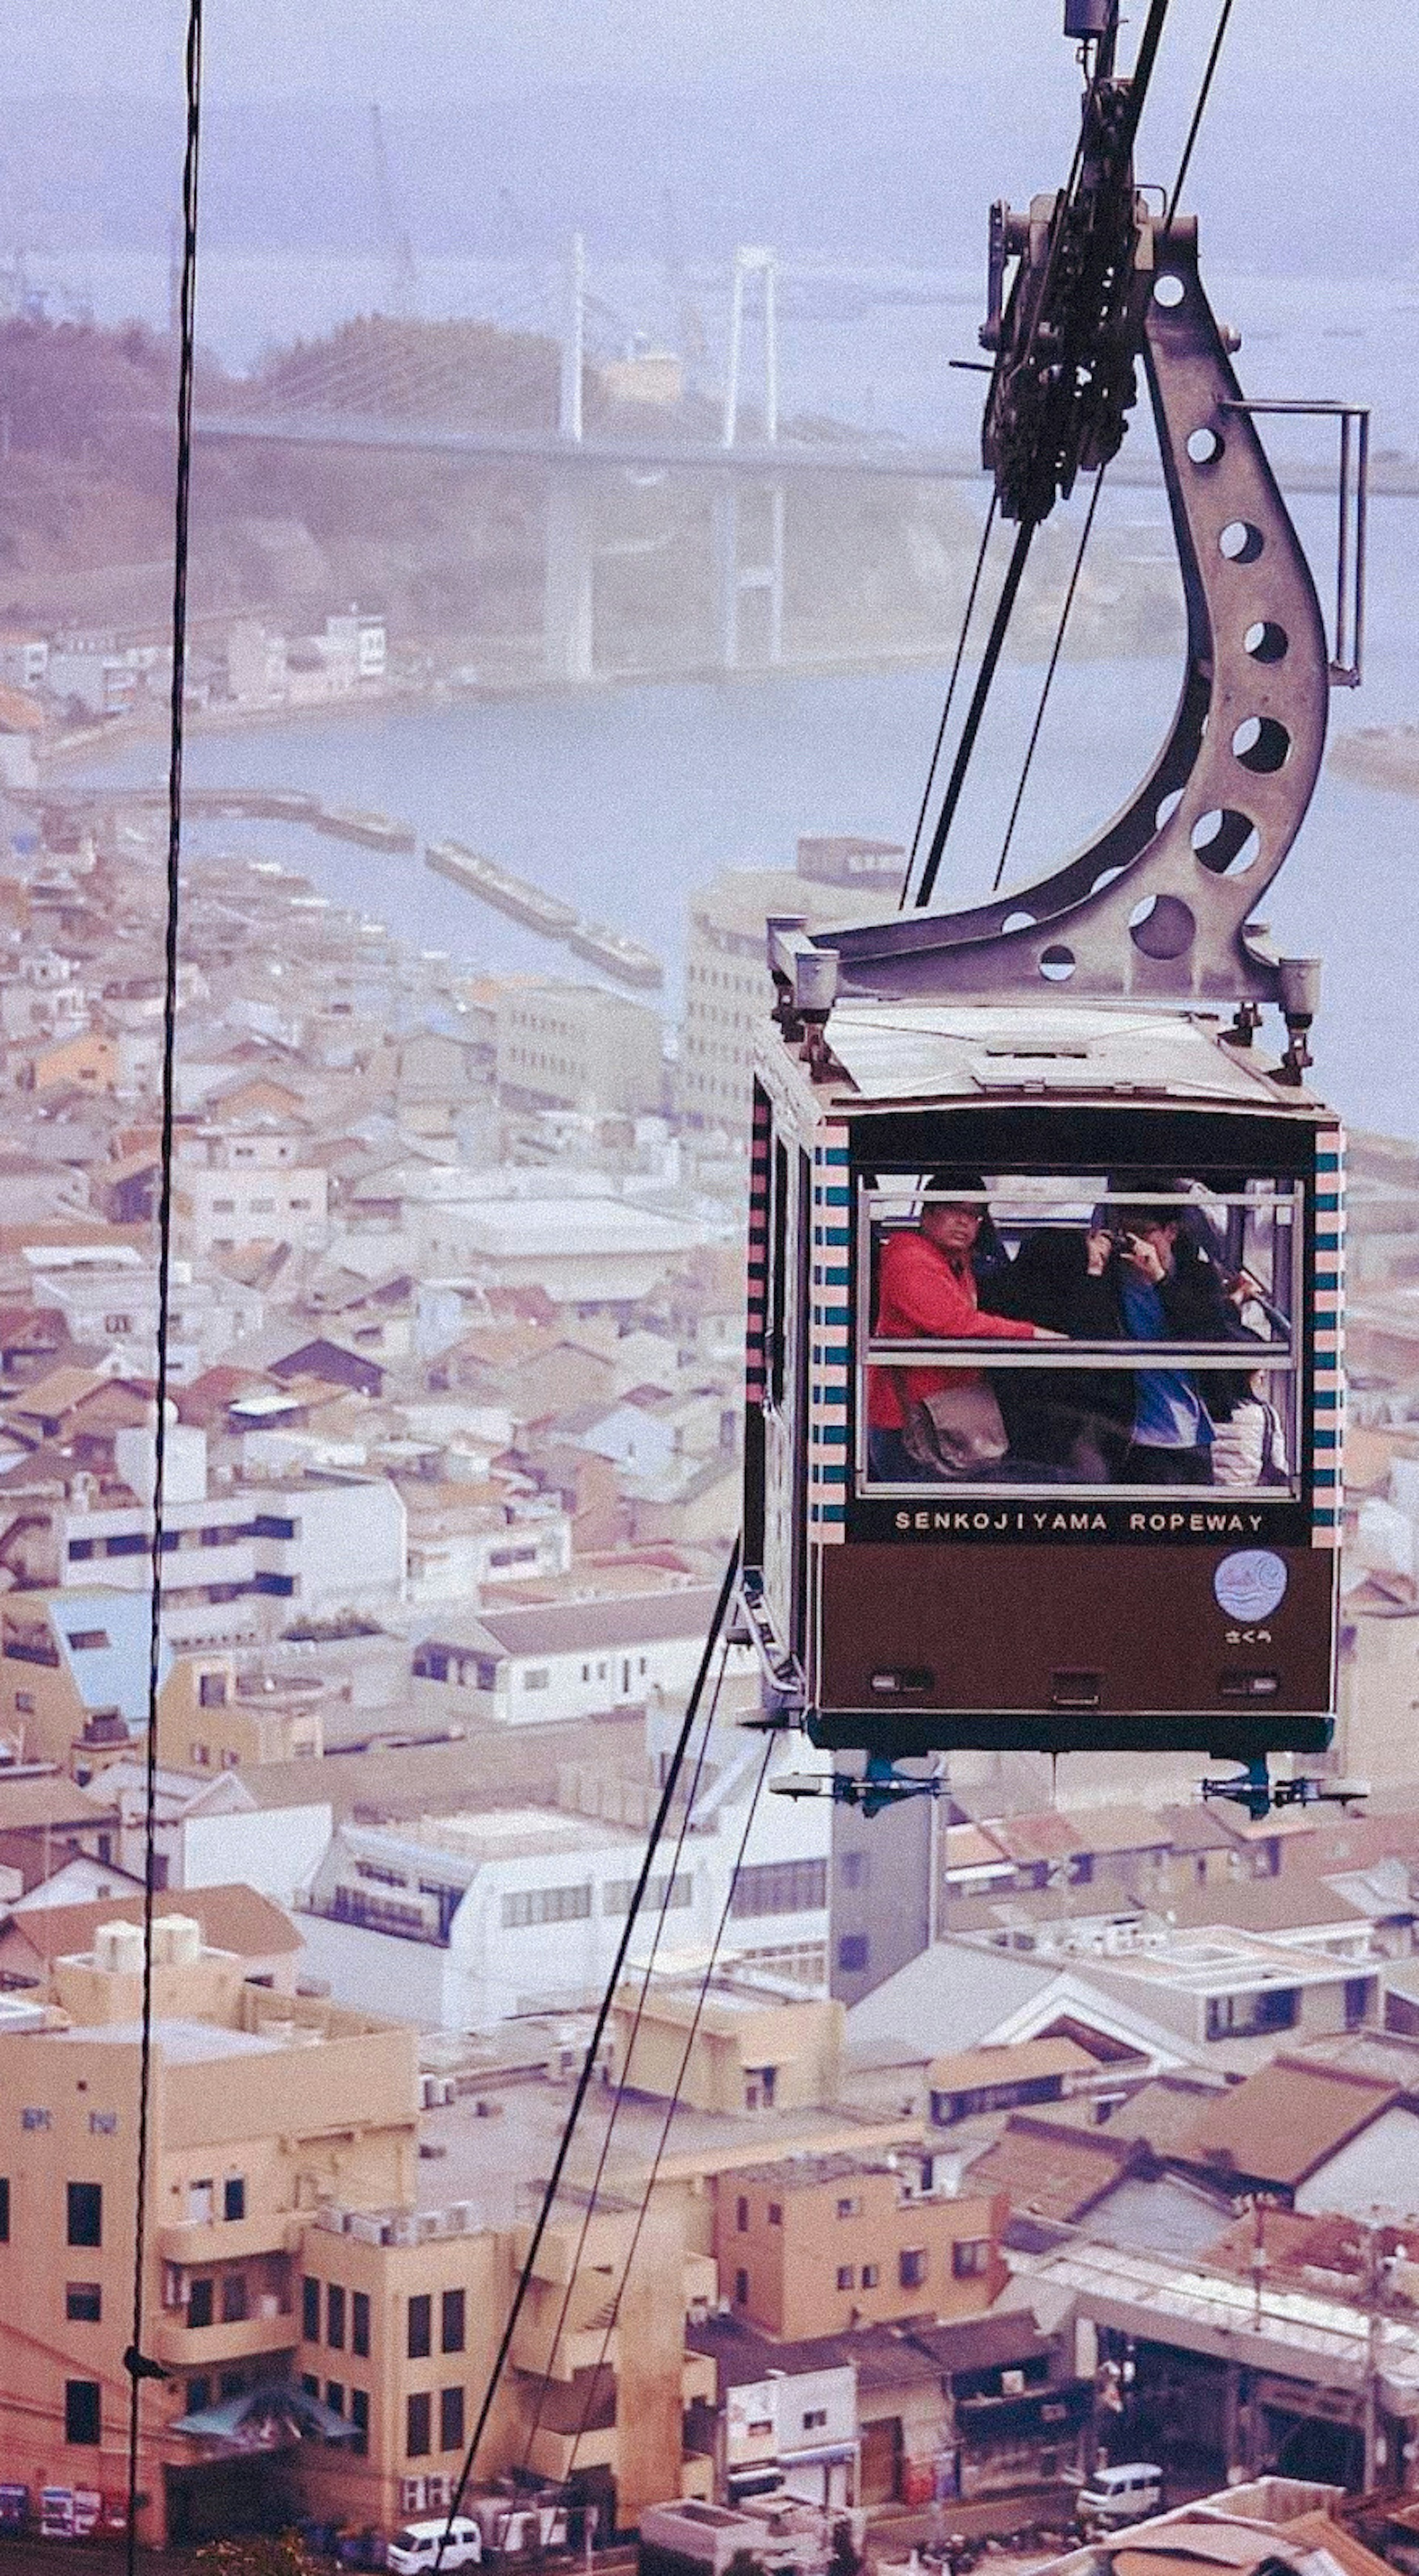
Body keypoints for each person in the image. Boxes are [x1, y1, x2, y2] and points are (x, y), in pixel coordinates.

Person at [867, 1170, 1061, 1482]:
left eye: (974, 1215)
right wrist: (1032, 1334)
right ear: (928, 1213)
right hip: (909, 1424)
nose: (964, 1222)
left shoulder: (958, 1262)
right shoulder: (908, 1258)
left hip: (946, 1417)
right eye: (954, 1210)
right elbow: (954, 1322)